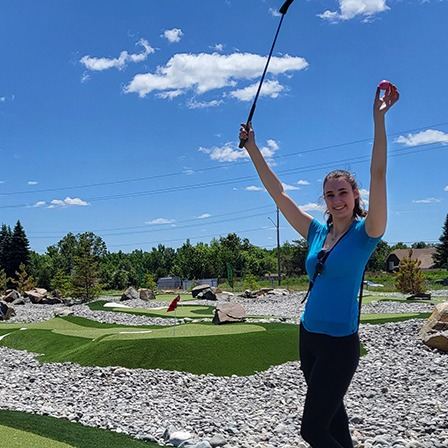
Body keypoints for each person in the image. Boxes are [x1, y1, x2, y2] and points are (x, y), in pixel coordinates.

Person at [239, 82, 399, 447]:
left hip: (340, 345)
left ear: (355, 195)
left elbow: (378, 174)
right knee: (333, 423)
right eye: (330, 194)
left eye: (343, 192)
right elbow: (278, 194)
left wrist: (379, 119)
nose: (337, 199)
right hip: (308, 336)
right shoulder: (315, 231)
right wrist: (253, 149)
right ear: (324, 200)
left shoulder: (366, 233)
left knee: (311, 430)